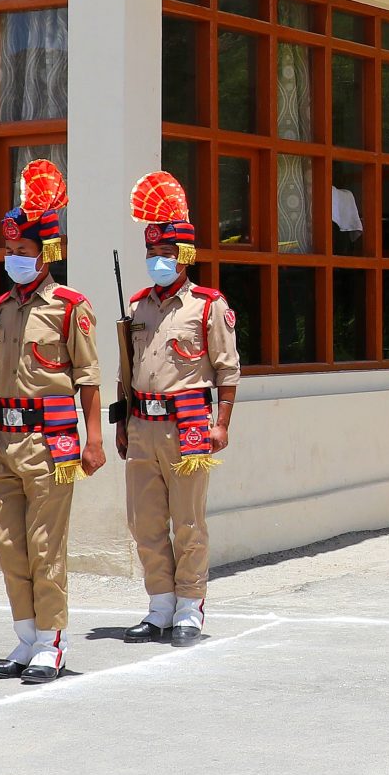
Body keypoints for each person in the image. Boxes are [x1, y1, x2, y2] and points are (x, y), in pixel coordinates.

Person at [0, 159, 106, 684]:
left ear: (45, 254)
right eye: (10, 252)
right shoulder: (1, 309)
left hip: (49, 442)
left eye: (23, 252)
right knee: (7, 541)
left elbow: (89, 379)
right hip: (1, 437)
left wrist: (94, 441)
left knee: (46, 545)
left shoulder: (71, 308)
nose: (14, 260)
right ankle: (25, 636)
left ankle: (51, 641)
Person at [120, 171, 241, 645]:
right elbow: (126, 370)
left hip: (187, 423)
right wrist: (122, 422)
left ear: (185, 257)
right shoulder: (137, 306)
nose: (157, 263)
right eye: (152, 255)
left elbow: (227, 371)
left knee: (188, 520)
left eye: (166, 256)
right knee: (144, 521)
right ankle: (159, 606)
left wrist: (221, 423)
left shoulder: (208, 305)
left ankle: (190, 605)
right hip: (141, 423)